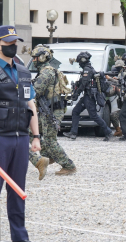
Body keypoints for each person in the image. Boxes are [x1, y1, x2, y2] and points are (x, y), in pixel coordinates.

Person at [0, 25, 40, 242]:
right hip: (1, 139)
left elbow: (30, 103)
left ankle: (20, 238)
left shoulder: (23, 71)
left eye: (15, 42)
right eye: (8, 42)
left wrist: (36, 137)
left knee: (17, 192)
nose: (12, 46)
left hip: (20, 138)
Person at [30, 44, 77, 176]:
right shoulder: (46, 71)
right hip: (47, 109)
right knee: (30, 132)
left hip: (51, 111)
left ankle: (68, 165)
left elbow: (35, 92)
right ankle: (48, 154)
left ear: (44, 57)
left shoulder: (47, 72)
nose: (33, 60)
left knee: (50, 140)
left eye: (35, 58)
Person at [63, 51, 113, 141]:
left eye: (79, 62)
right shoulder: (88, 69)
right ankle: (73, 133)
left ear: (83, 61)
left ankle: (108, 131)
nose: (79, 64)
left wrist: (77, 93)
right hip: (87, 96)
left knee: (93, 115)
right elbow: (82, 83)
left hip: (89, 97)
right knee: (75, 111)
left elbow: (84, 84)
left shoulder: (87, 70)